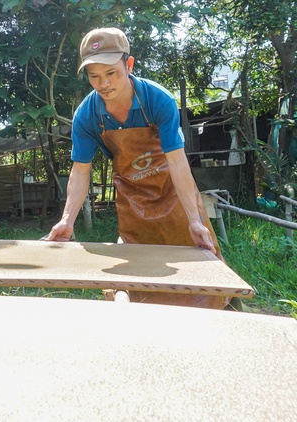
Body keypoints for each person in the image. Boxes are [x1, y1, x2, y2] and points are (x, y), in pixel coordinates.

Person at [45, 27, 228, 308]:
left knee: (201, 275)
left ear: (128, 65)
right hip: (132, 197)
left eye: (111, 73)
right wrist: (67, 220)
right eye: (94, 76)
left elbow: (178, 162)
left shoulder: (158, 100)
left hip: (174, 191)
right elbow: (81, 171)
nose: (103, 84)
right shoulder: (87, 115)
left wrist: (194, 219)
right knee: (138, 281)